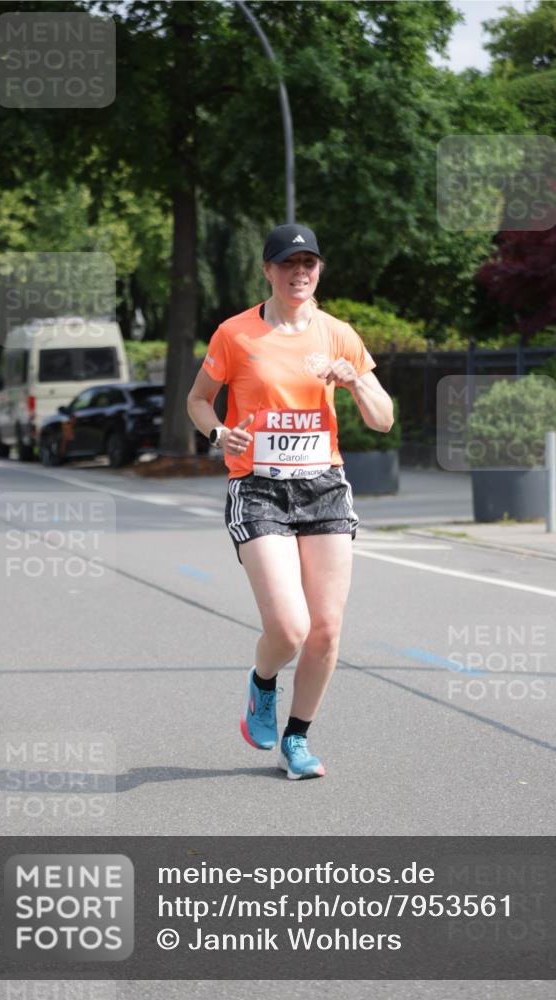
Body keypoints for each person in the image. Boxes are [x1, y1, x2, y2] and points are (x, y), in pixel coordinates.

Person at [187, 223, 394, 780]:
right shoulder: (235, 334)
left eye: (309, 263)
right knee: (289, 627)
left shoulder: (338, 334)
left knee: (326, 629)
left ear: (319, 271)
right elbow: (199, 400)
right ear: (268, 272)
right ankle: (262, 683)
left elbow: (383, 419)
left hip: (323, 486)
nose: (299, 272)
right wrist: (217, 433)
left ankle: (296, 740)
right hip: (257, 488)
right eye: (287, 264)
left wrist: (354, 380)